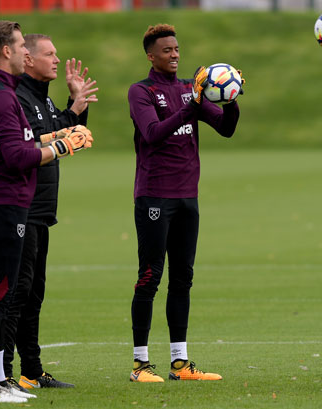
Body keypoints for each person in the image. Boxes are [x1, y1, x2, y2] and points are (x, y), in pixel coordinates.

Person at [0, 21, 91, 403]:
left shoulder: (0, 90)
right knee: (1, 295)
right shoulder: (5, 95)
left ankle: (4, 379)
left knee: (15, 293)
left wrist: (66, 125)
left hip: (12, 201)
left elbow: (35, 137)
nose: (26, 51)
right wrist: (63, 147)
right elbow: (18, 155)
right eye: (23, 46)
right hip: (4, 201)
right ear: (7, 51)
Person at [127, 24, 241, 383]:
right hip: (154, 196)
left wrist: (230, 98)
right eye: (166, 50)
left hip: (187, 198)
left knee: (183, 279)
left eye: (177, 49)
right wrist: (189, 108)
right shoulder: (141, 91)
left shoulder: (188, 91)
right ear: (150, 55)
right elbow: (152, 134)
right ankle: (140, 365)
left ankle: (180, 363)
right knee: (149, 278)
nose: (174, 55)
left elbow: (225, 128)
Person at [2, 33, 98, 392]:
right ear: (28, 59)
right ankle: (4, 373)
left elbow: (64, 131)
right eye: (50, 54)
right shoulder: (19, 98)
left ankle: (31, 370)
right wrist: (71, 114)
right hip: (21, 207)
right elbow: (35, 141)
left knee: (33, 292)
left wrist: (76, 106)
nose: (57, 60)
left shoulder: (40, 99)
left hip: (40, 210)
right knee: (18, 290)